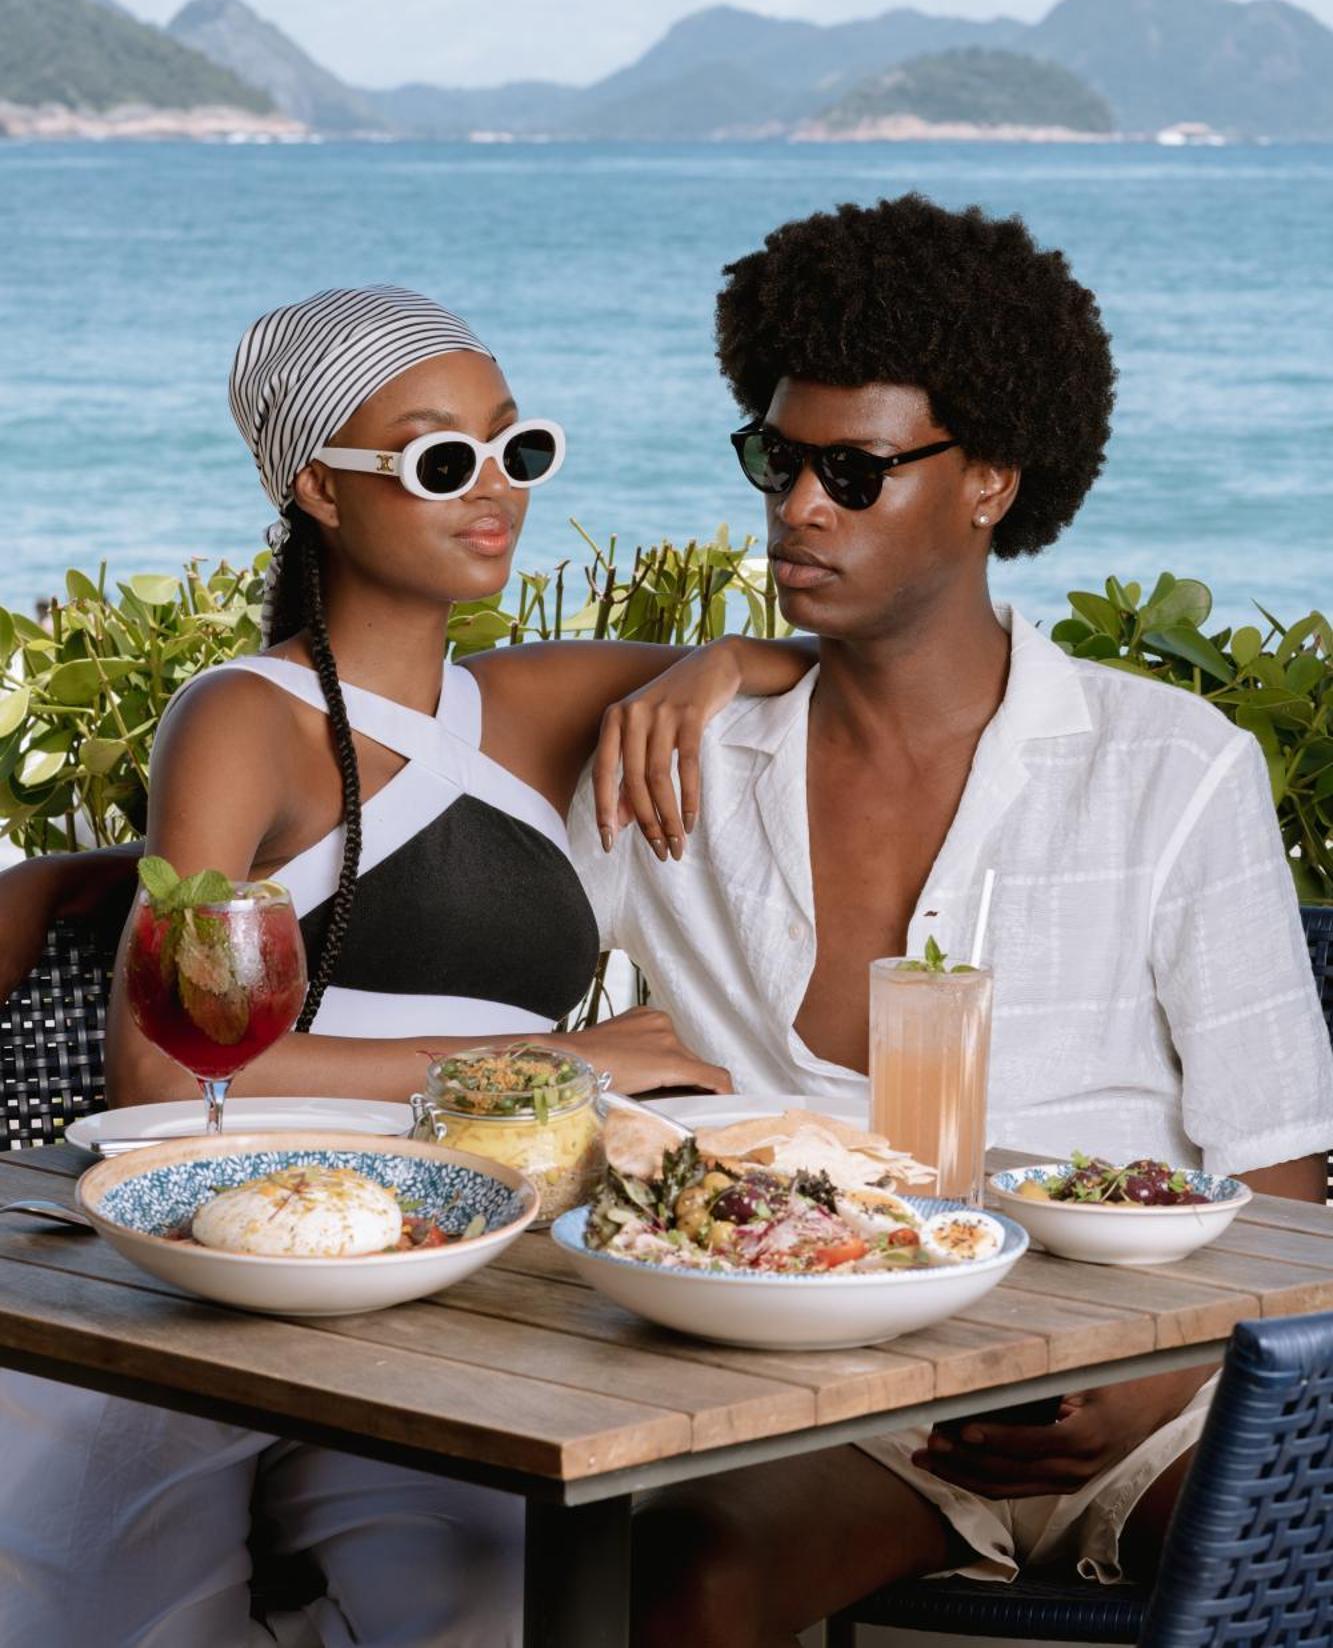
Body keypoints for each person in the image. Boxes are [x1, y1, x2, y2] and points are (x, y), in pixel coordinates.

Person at [561, 194, 1333, 1646]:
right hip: (839, 1403)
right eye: (775, 459)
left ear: (987, 480)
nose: (798, 506)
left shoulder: (1164, 766)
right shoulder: (681, 764)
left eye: (851, 472)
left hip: (1157, 1381)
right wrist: (84, 879)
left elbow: (1278, 1197)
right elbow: (397, 742)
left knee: (1287, 1572)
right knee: (680, 1591)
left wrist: (1156, 1385)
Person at [0, 282, 813, 1648]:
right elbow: (172, 1065)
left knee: (490, 1612)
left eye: (519, 448)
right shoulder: (242, 717)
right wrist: (557, 1059)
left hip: (460, 1272)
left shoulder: (538, 704)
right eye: (442, 461)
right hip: (234, 1254)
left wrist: (720, 659)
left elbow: (842, 671)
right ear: (319, 486)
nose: (495, 491)